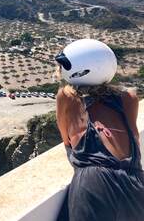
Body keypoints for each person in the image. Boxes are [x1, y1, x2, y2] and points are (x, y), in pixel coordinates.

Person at [55, 39, 144, 221]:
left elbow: (67, 142)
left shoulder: (66, 97)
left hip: (93, 185)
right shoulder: (129, 98)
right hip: (135, 185)